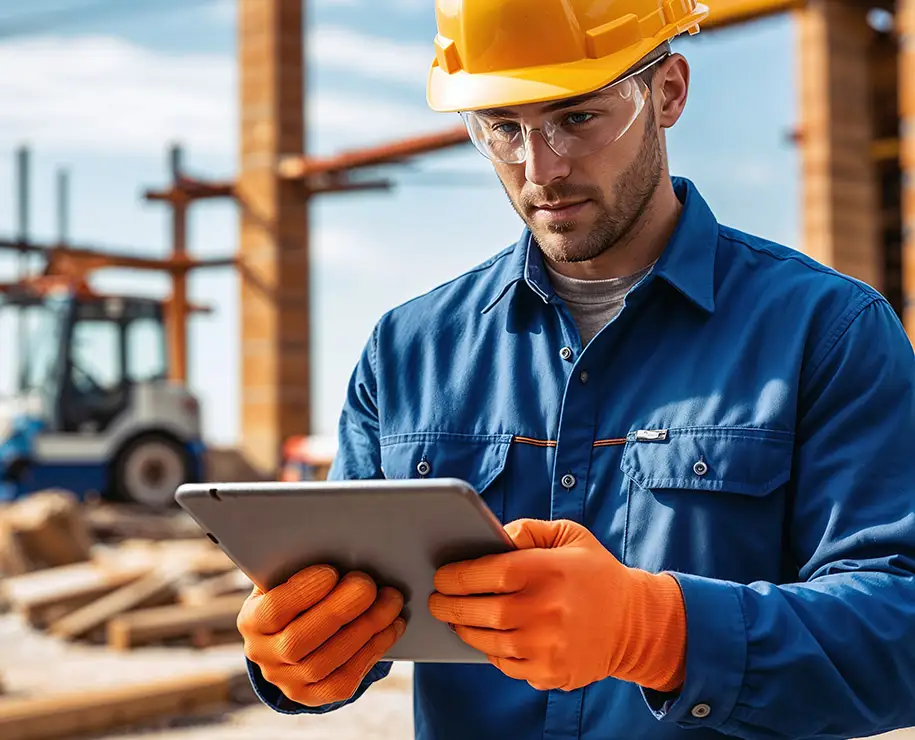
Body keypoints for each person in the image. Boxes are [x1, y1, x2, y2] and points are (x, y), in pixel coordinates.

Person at [237, 0, 915, 738]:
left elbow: (900, 630)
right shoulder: (408, 349)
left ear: (668, 92)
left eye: (577, 117)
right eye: (503, 128)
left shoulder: (825, 331)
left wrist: (658, 632)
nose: (541, 169)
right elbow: (353, 609)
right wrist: (300, 655)